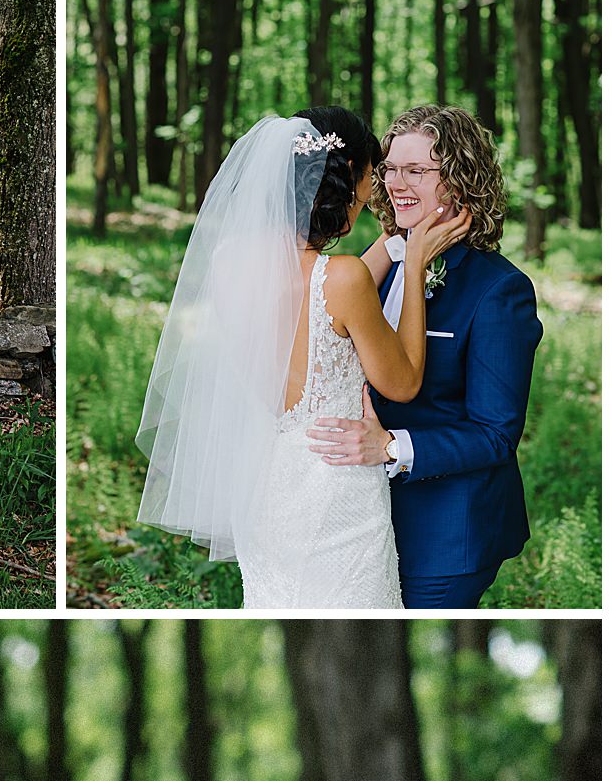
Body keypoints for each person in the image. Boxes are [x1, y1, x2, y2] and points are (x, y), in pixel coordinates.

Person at [136, 107, 468, 609]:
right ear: (343, 179)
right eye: (369, 176)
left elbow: (320, 295)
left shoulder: (231, 262)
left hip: (264, 481)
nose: (371, 192)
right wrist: (415, 263)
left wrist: (392, 241)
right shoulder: (344, 279)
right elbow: (402, 382)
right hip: (334, 491)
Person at [305, 104, 543, 608]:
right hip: (354, 522)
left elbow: (495, 434)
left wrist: (391, 446)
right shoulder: (379, 264)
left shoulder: (500, 290)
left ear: (458, 178)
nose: (396, 182)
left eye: (416, 170)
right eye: (390, 168)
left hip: (444, 537)